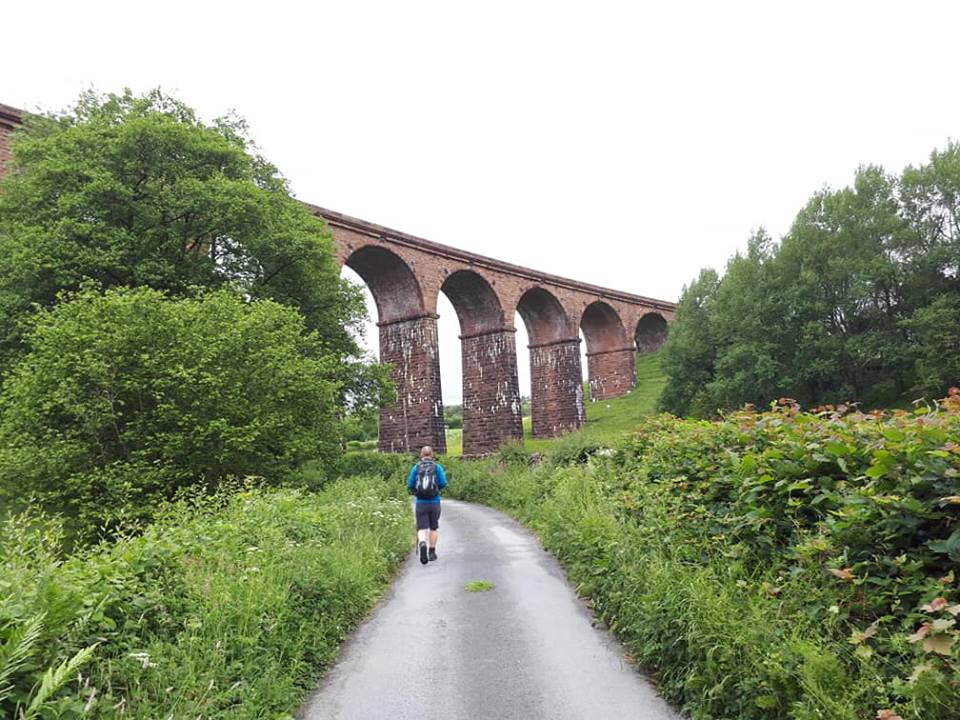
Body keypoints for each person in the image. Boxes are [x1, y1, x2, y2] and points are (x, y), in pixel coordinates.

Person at [407, 445, 448, 564]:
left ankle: (422, 543)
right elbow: (443, 482)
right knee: (433, 527)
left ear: (421, 455)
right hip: (434, 502)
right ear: (432, 454)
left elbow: (410, 484)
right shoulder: (437, 467)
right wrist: (436, 490)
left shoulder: (416, 467)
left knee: (421, 527)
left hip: (421, 502)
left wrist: (417, 493)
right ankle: (432, 552)